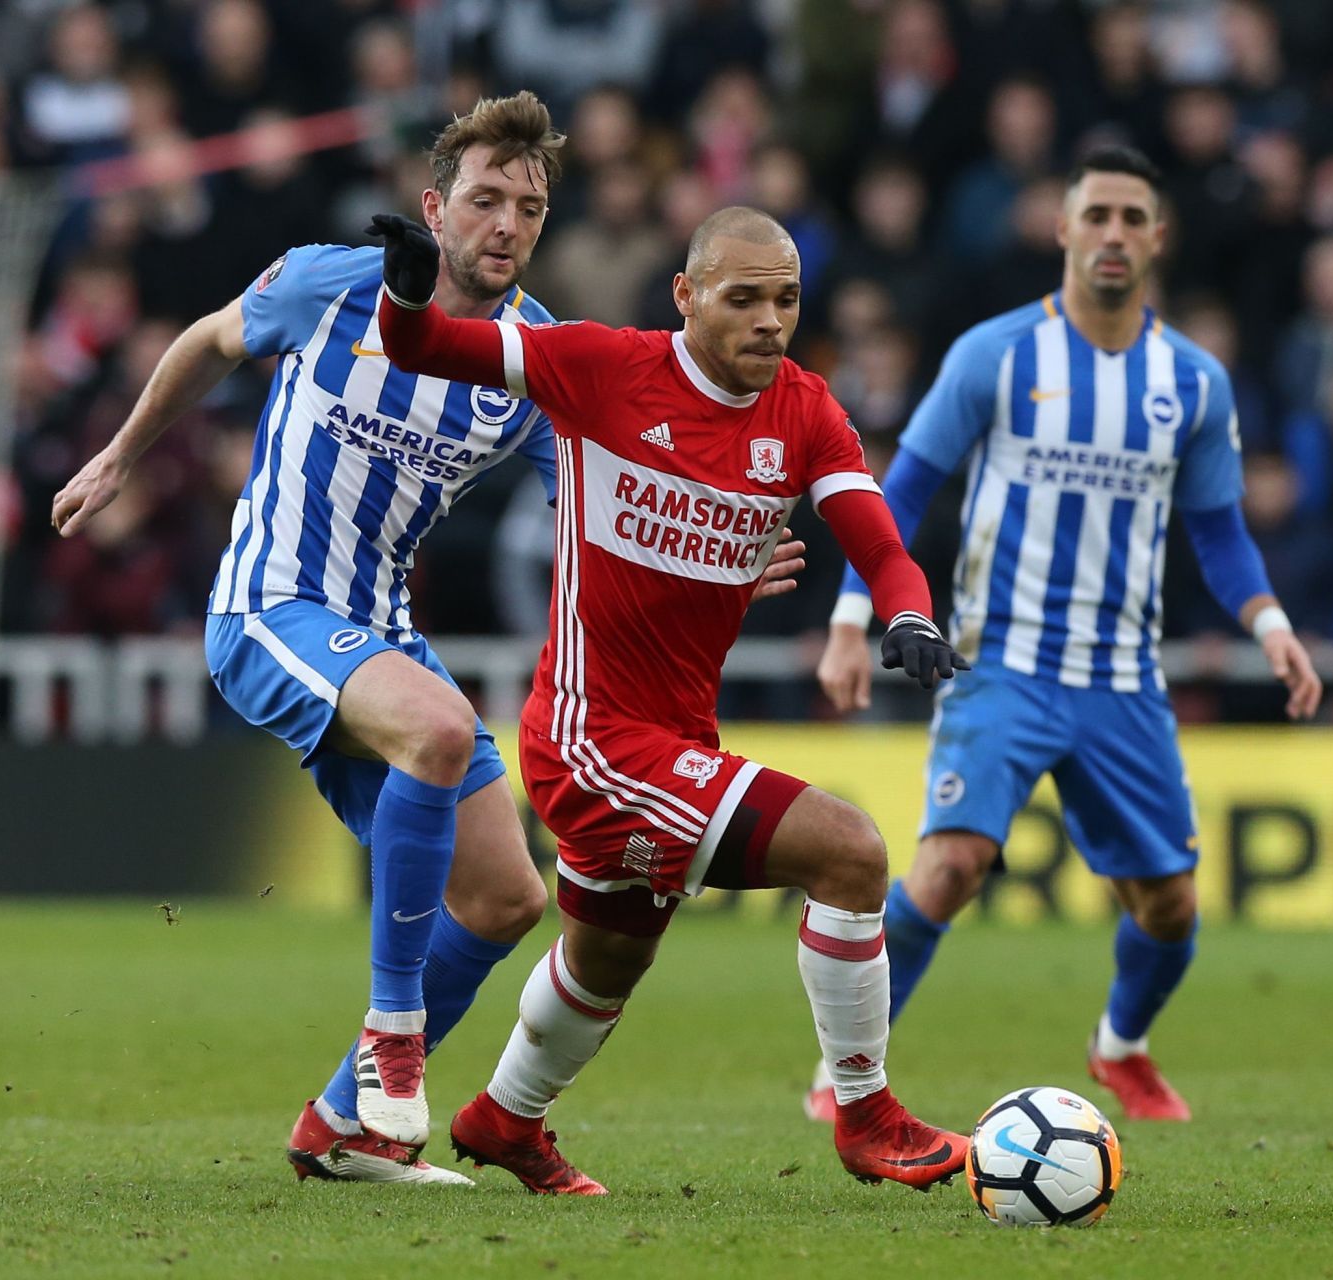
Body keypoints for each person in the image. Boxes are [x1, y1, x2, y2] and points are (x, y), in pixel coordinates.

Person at [49, 93, 803, 1187]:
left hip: (379, 631)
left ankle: (342, 1124)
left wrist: (720, 537)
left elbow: (617, 498)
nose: (507, 223)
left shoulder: (536, 358)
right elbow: (213, 339)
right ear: (434, 207)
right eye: (487, 200)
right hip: (270, 604)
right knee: (443, 726)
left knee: (506, 895)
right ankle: (392, 1039)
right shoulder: (333, 282)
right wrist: (120, 455)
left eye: (530, 207)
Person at [368, 201, 973, 1195]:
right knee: (852, 850)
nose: (770, 321)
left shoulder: (805, 409)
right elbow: (421, 342)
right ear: (688, 296)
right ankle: (866, 1112)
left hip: (674, 738)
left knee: (609, 955)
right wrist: (403, 287)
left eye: (785, 299)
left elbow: (880, 540)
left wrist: (906, 614)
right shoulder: (600, 366)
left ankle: (504, 1117)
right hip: (588, 736)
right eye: (744, 299)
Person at [810, 147, 1323, 1123]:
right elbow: (900, 490)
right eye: (1098, 216)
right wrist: (848, 617)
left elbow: (1216, 529)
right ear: (1064, 228)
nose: (1115, 235)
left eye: (1134, 217)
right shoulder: (996, 354)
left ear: (1158, 236)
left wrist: (1272, 623)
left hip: (1123, 676)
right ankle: (851, 1074)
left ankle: (1119, 1045)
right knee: (950, 863)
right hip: (999, 660)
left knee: (1170, 905)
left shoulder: (1197, 382)